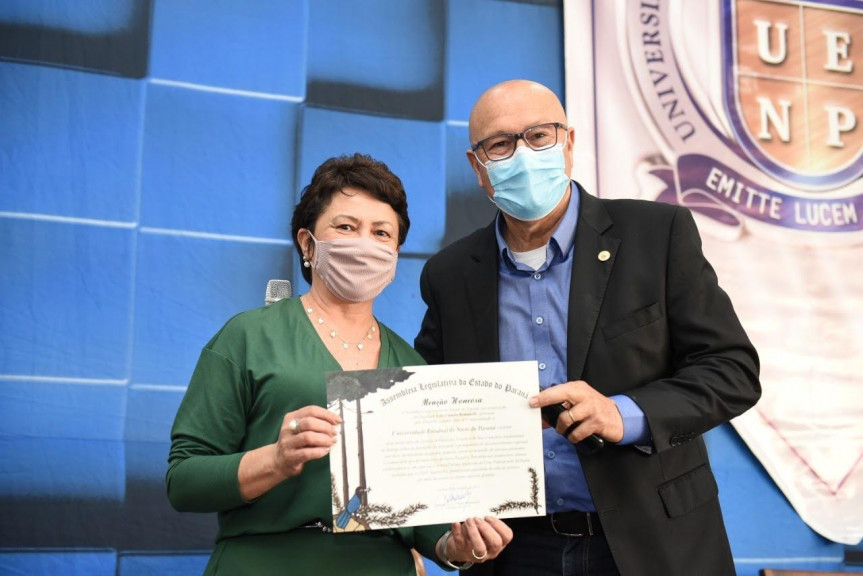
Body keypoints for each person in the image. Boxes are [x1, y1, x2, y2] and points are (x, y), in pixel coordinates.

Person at [414, 80, 761, 576]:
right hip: (515, 551)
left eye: (538, 136)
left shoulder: (656, 235)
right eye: (501, 144)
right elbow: (433, 407)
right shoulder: (449, 275)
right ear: (479, 167)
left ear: (568, 144)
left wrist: (627, 413)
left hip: (654, 541)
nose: (523, 155)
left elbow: (732, 371)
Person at [167, 153, 512, 575]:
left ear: (396, 255)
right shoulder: (247, 337)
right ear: (308, 243)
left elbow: (422, 513)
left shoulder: (412, 366)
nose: (364, 243)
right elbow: (184, 482)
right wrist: (275, 461)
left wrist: (454, 545)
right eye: (346, 227)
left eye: (381, 232)